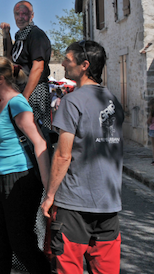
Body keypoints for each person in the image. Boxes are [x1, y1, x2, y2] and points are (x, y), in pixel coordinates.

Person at [41, 41, 124, 274]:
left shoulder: (71, 101)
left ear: (84, 65)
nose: (64, 63)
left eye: (68, 59)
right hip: (108, 202)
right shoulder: (113, 101)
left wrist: (49, 196)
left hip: (74, 203)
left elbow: (63, 155)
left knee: (69, 268)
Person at [0, 55, 51, 274]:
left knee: (21, 243)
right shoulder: (1, 101)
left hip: (19, 178)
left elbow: (39, 143)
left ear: (0, 78)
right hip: (5, 178)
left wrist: (50, 191)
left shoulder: (17, 103)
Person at [0, 1, 52, 133]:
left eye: (24, 14)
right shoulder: (19, 35)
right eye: (17, 14)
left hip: (35, 90)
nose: (20, 17)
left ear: (32, 15)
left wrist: (25, 97)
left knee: (36, 133)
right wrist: (7, 34)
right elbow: (10, 59)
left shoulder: (36, 34)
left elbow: (38, 67)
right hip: (22, 89)